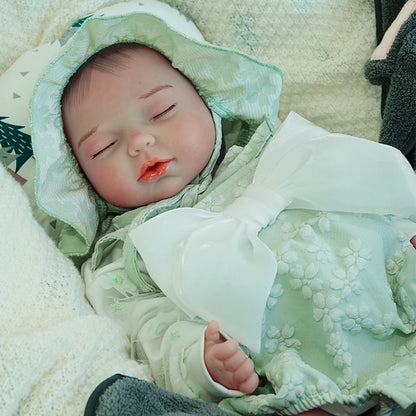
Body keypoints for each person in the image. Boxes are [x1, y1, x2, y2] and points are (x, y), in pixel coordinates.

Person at [29, 1, 416, 415]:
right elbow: (148, 331)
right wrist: (201, 361)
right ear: (80, 180)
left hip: (393, 297)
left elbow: (361, 185)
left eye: (162, 111)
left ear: (209, 100)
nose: (140, 141)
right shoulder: (127, 252)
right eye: (103, 147)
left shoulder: (279, 150)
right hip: (298, 379)